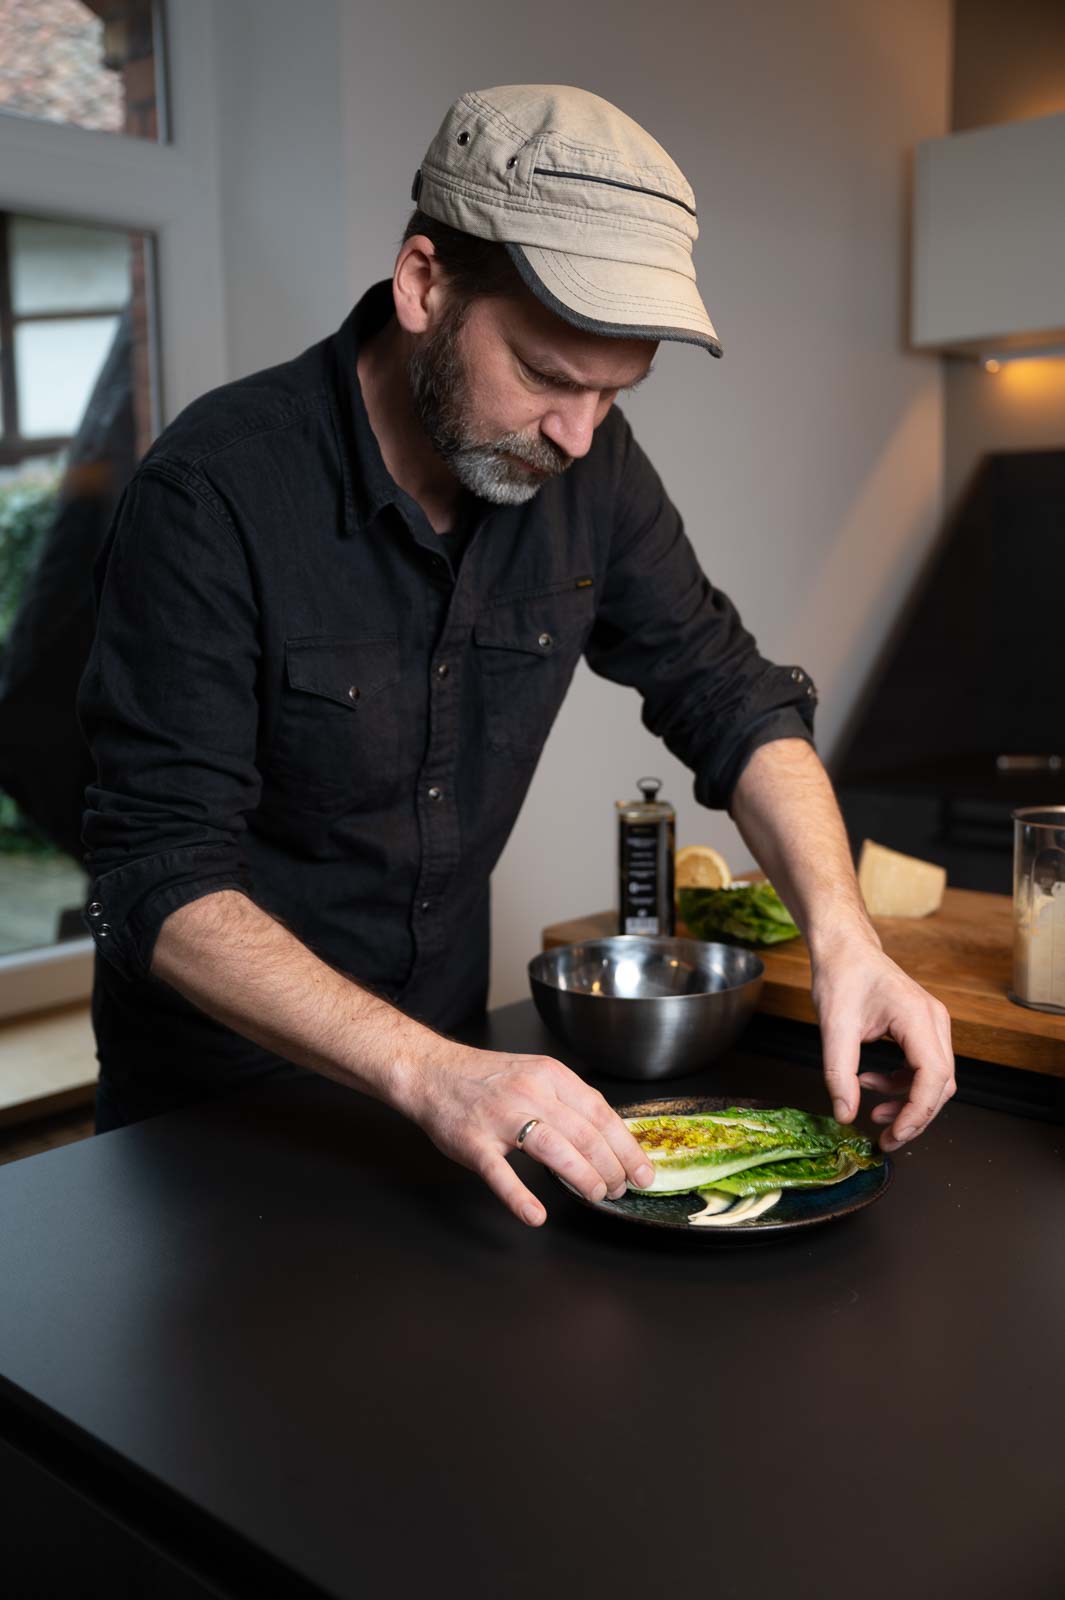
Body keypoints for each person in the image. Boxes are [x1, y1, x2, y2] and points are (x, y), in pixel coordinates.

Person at [78, 84, 955, 1224]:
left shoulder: (590, 467)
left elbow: (730, 696)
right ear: (423, 284)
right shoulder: (212, 494)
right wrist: (428, 1069)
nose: (578, 434)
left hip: (461, 1121)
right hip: (218, 1136)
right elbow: (158, 875)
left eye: (616, 390)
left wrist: (846, 939)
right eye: (545, 374)